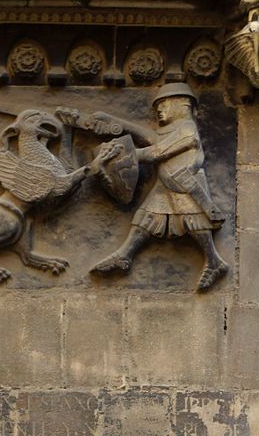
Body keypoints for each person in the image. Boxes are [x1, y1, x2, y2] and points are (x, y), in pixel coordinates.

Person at [92, 83, 229, 292]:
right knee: (146, 217)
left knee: (194, 221)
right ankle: (124, 255)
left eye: (164, 104)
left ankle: (214, 260)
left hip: (183, 184)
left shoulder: (187, 129)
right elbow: (152, 137)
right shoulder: (172, 130)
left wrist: (122, 155)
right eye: (157, 106)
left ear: (182, 104)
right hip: (167, 183)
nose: (159, 109)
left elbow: (157, 152)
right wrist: (117, 123)